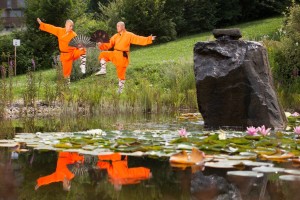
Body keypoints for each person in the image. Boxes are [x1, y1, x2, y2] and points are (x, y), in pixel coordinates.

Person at [95, 21, 156, 93]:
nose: (117, 27)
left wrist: (149, 39)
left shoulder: (129, 35)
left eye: (118, 26)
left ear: (123, 27)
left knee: (121, 74)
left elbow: (138, 39)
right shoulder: (115, 36)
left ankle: (120, 90)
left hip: (122, 56)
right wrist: (101, 45)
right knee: (103, 54)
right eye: (116, 26)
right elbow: (109, 44)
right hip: (115, 53)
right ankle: (103, 70)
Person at [37, 18, 87, 83]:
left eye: (72, 26)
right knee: (66, 73)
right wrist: (42, 24)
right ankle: (67, 86)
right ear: (65, 25)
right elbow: (51, 28)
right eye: (70, 26)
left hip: (73, 53)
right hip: (65, 55)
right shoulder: (60, 31)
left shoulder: (73, 34)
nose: (71, 28)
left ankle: (83, 65)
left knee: (83, 48)